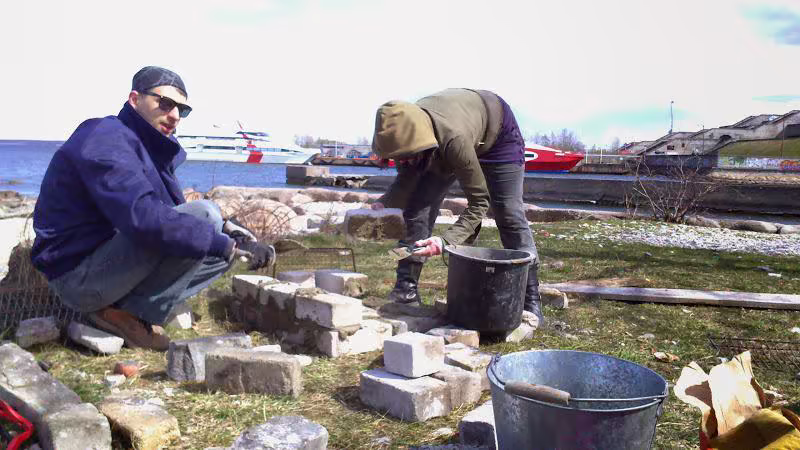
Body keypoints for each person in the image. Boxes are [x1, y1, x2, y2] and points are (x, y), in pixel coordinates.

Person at [31, 66, 274, 350]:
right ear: (135, 99)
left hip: (108, 265)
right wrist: (222, 240)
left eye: (182, 110)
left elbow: (172, 212)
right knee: (205, 219)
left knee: (215, 241)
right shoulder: (104, 137)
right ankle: (123, 314)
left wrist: (230, 230)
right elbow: (143, 217)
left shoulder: (149, 148)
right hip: (77, 276)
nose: (175, 115)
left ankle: (130, 309)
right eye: (166, 103)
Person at [371, 88, 543, 324]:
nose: (403, 162)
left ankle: (531, 300)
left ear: (418, 145)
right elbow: (406, 180)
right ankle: (405, 291)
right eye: (399, 158)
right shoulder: (404, 136)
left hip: (497, 134)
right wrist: (382, 204)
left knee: (508, 213)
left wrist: (445, 241)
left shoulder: (453, 140)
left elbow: (479, 201)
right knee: (418, 208)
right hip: (442, 142)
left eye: (406, 157)